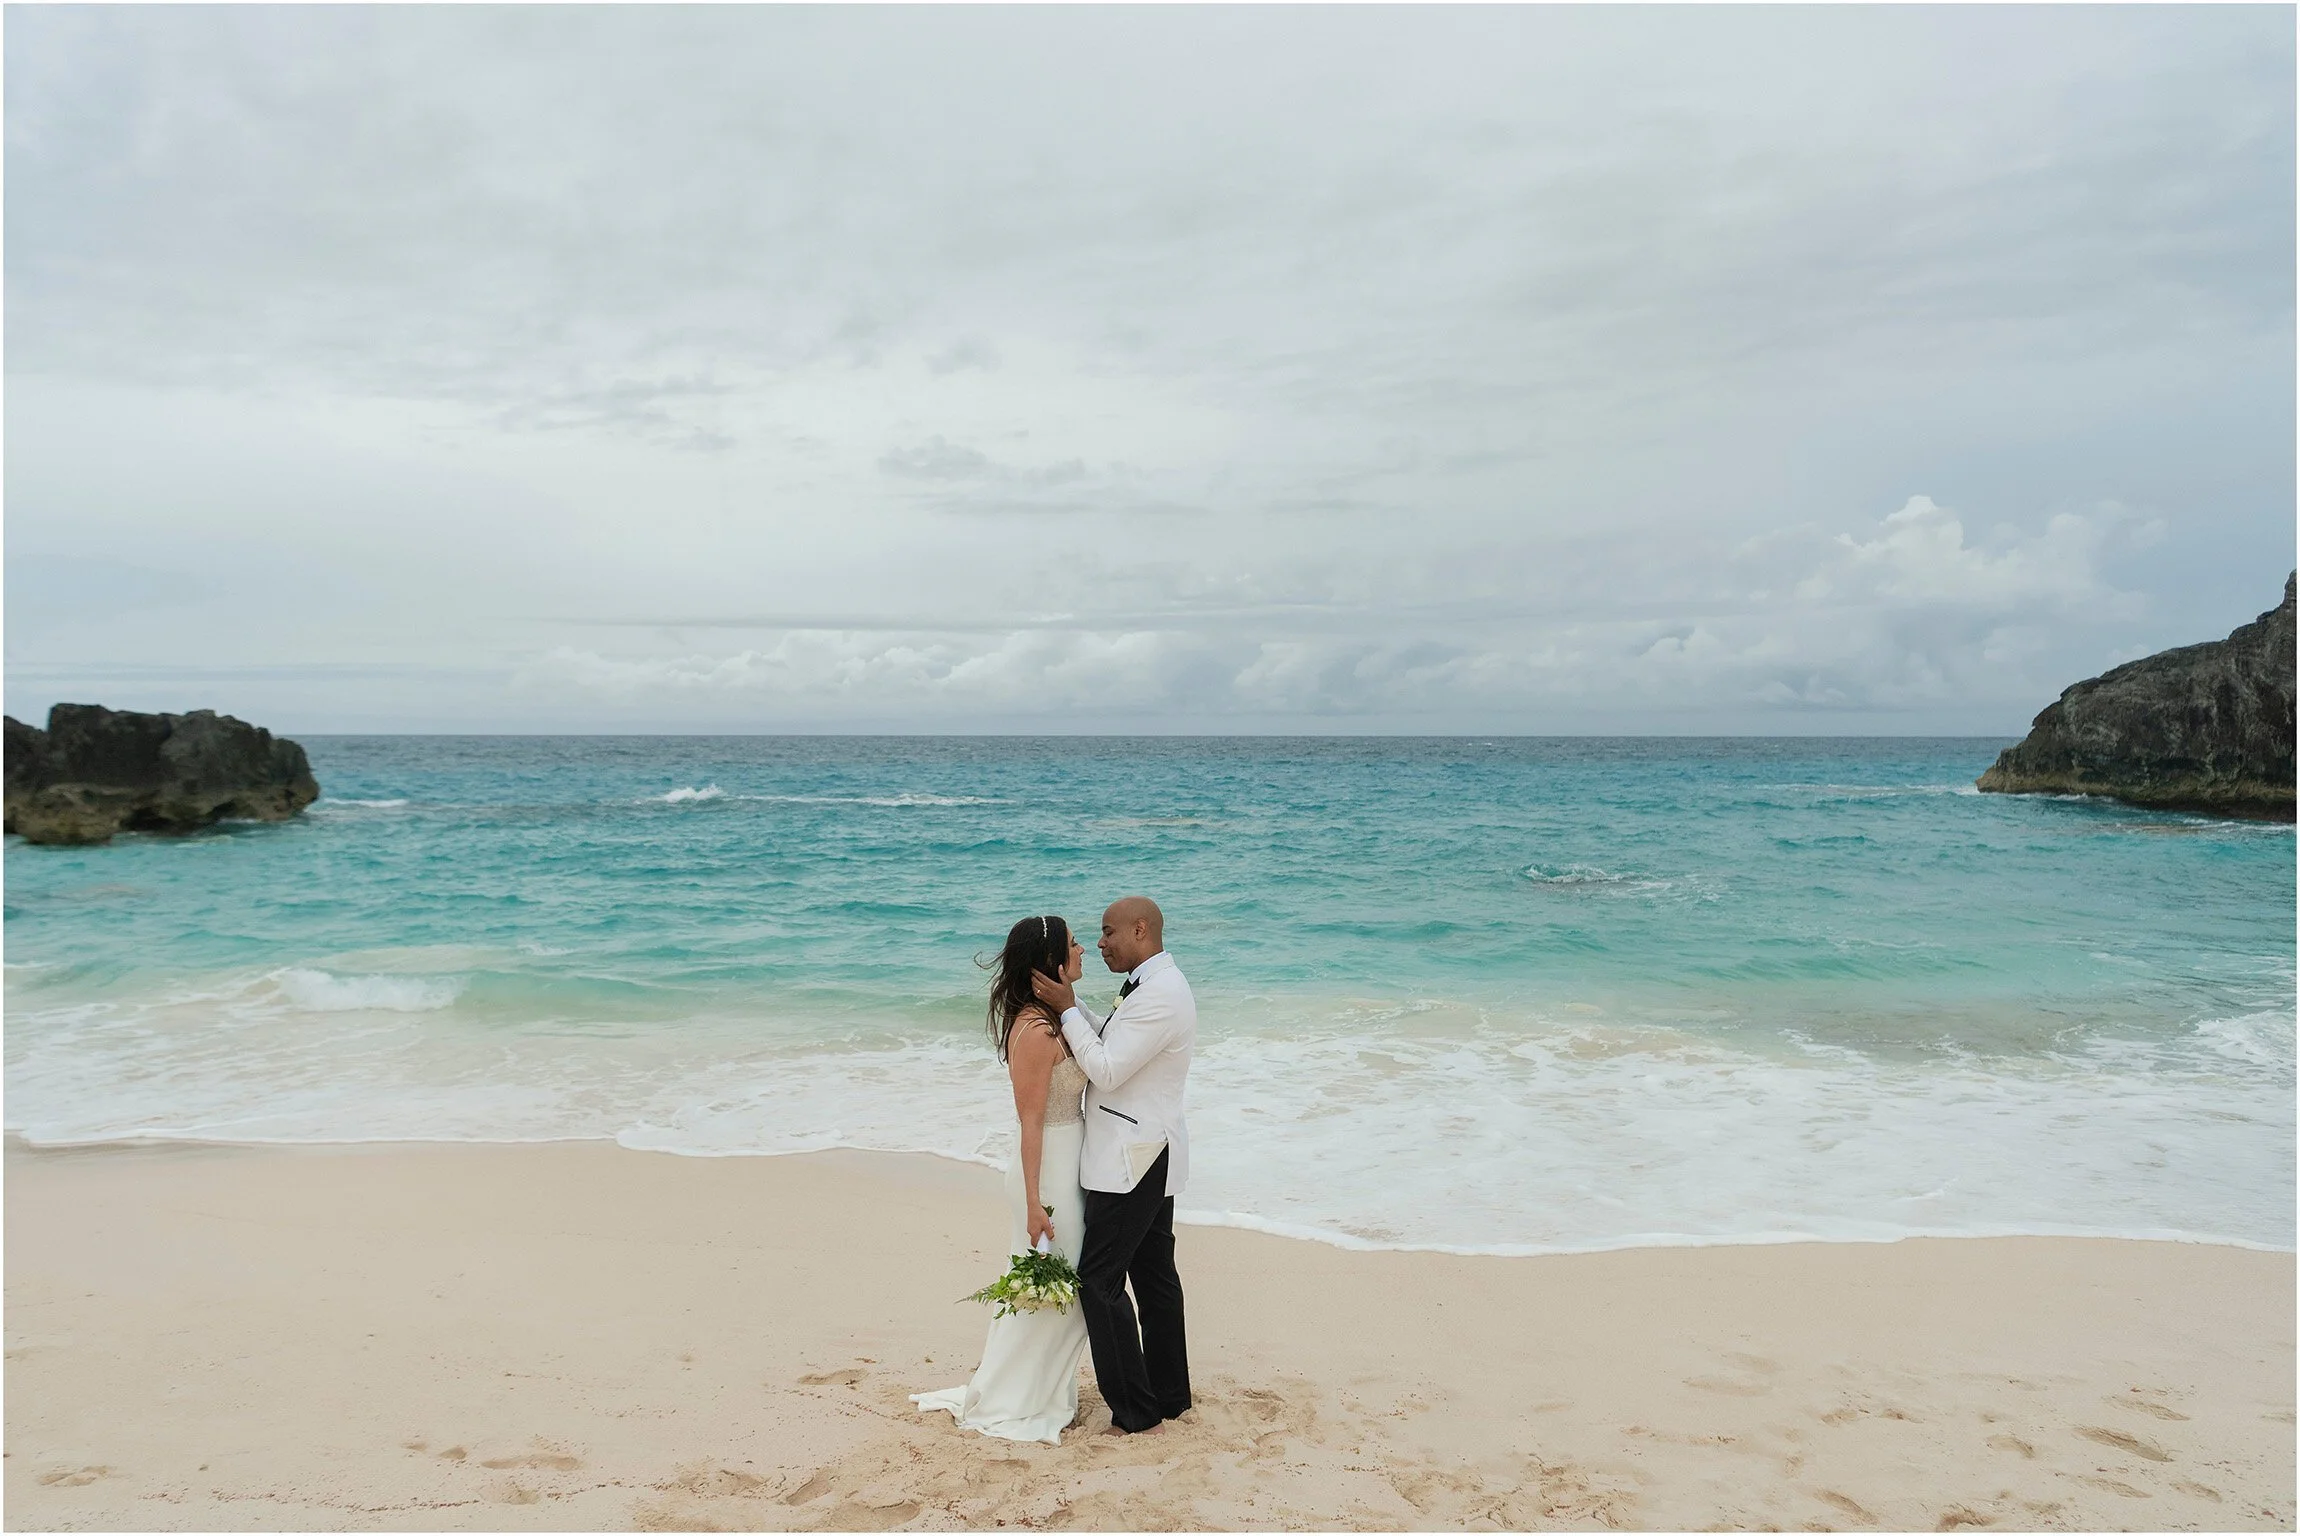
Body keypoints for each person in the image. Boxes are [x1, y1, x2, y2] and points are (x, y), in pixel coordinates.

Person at [910, 915, 1093, 1444]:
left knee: (1067, 1292)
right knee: (1058, 1290)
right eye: (1073, 943)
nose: (1082, 949)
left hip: (1067, 1165)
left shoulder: (1055, 1015)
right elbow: (1030, 1121)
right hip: (1049, 1173)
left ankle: (1041, 1391)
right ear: (1052, 961)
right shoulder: (1036, 1030)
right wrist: (1035, 1203)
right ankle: (1018, 1398)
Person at [1030, 896, 1195, 1436]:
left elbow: (1107, 1068)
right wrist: (1073, 1012)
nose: (1098, 943)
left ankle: (1136, 1410)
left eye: (1106, 933)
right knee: (1153, 1278)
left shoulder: (1163, 994)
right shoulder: (1152, 988)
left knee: (1099, 1283)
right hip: (1145, 1150)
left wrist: (1071, 1009)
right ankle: (1170, 1396)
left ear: (1140, 930)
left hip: (1133, 1157)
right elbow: (1117, 1039)